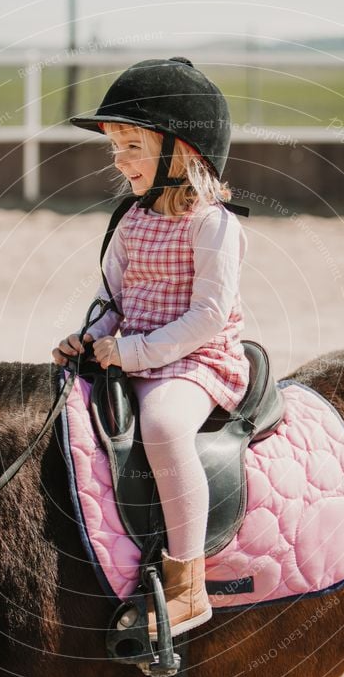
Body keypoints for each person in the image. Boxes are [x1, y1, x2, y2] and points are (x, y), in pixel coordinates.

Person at [52, 57, 250, 637]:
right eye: (115, 146)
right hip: (131, 348)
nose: (119, 160)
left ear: (182, 151)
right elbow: (112, 295)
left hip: (195, 360)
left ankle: (188, 584)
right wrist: (89, 336)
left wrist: (133, 353)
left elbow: (209, 317)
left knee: (163, 426)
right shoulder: (132, 219)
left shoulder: (213, 226)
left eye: (132, 145)